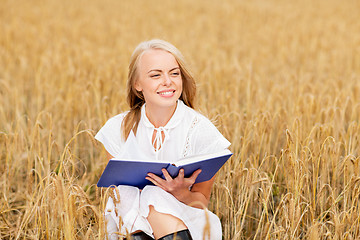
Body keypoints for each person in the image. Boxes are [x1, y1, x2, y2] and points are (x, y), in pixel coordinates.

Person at [95, 39, 231, 240]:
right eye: (156, 75)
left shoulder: (201, 131)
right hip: (131, 223)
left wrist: (181, 192)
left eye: (174, 73)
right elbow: (120, 198)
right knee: (130, 194)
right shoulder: (118, 128)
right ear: (137, 84)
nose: (167, 81)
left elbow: (201, 201)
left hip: (187, 219)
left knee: (153, 195)